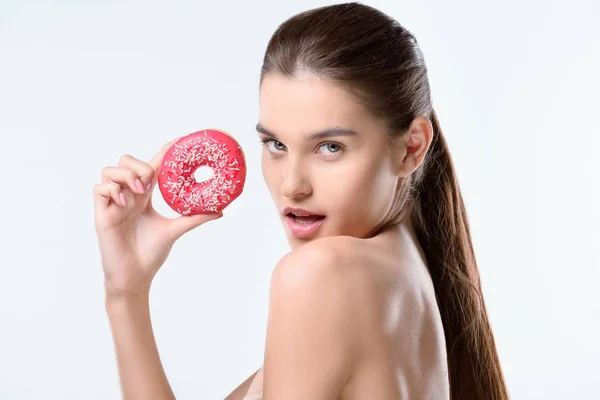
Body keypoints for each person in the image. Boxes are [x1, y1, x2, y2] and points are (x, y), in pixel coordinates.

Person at [93, 2, 508, 399]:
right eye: (275, 144)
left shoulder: (323, 275)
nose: (291, 185)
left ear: (411, 148)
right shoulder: (402, 274)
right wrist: (126, 292)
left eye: (330, 147)